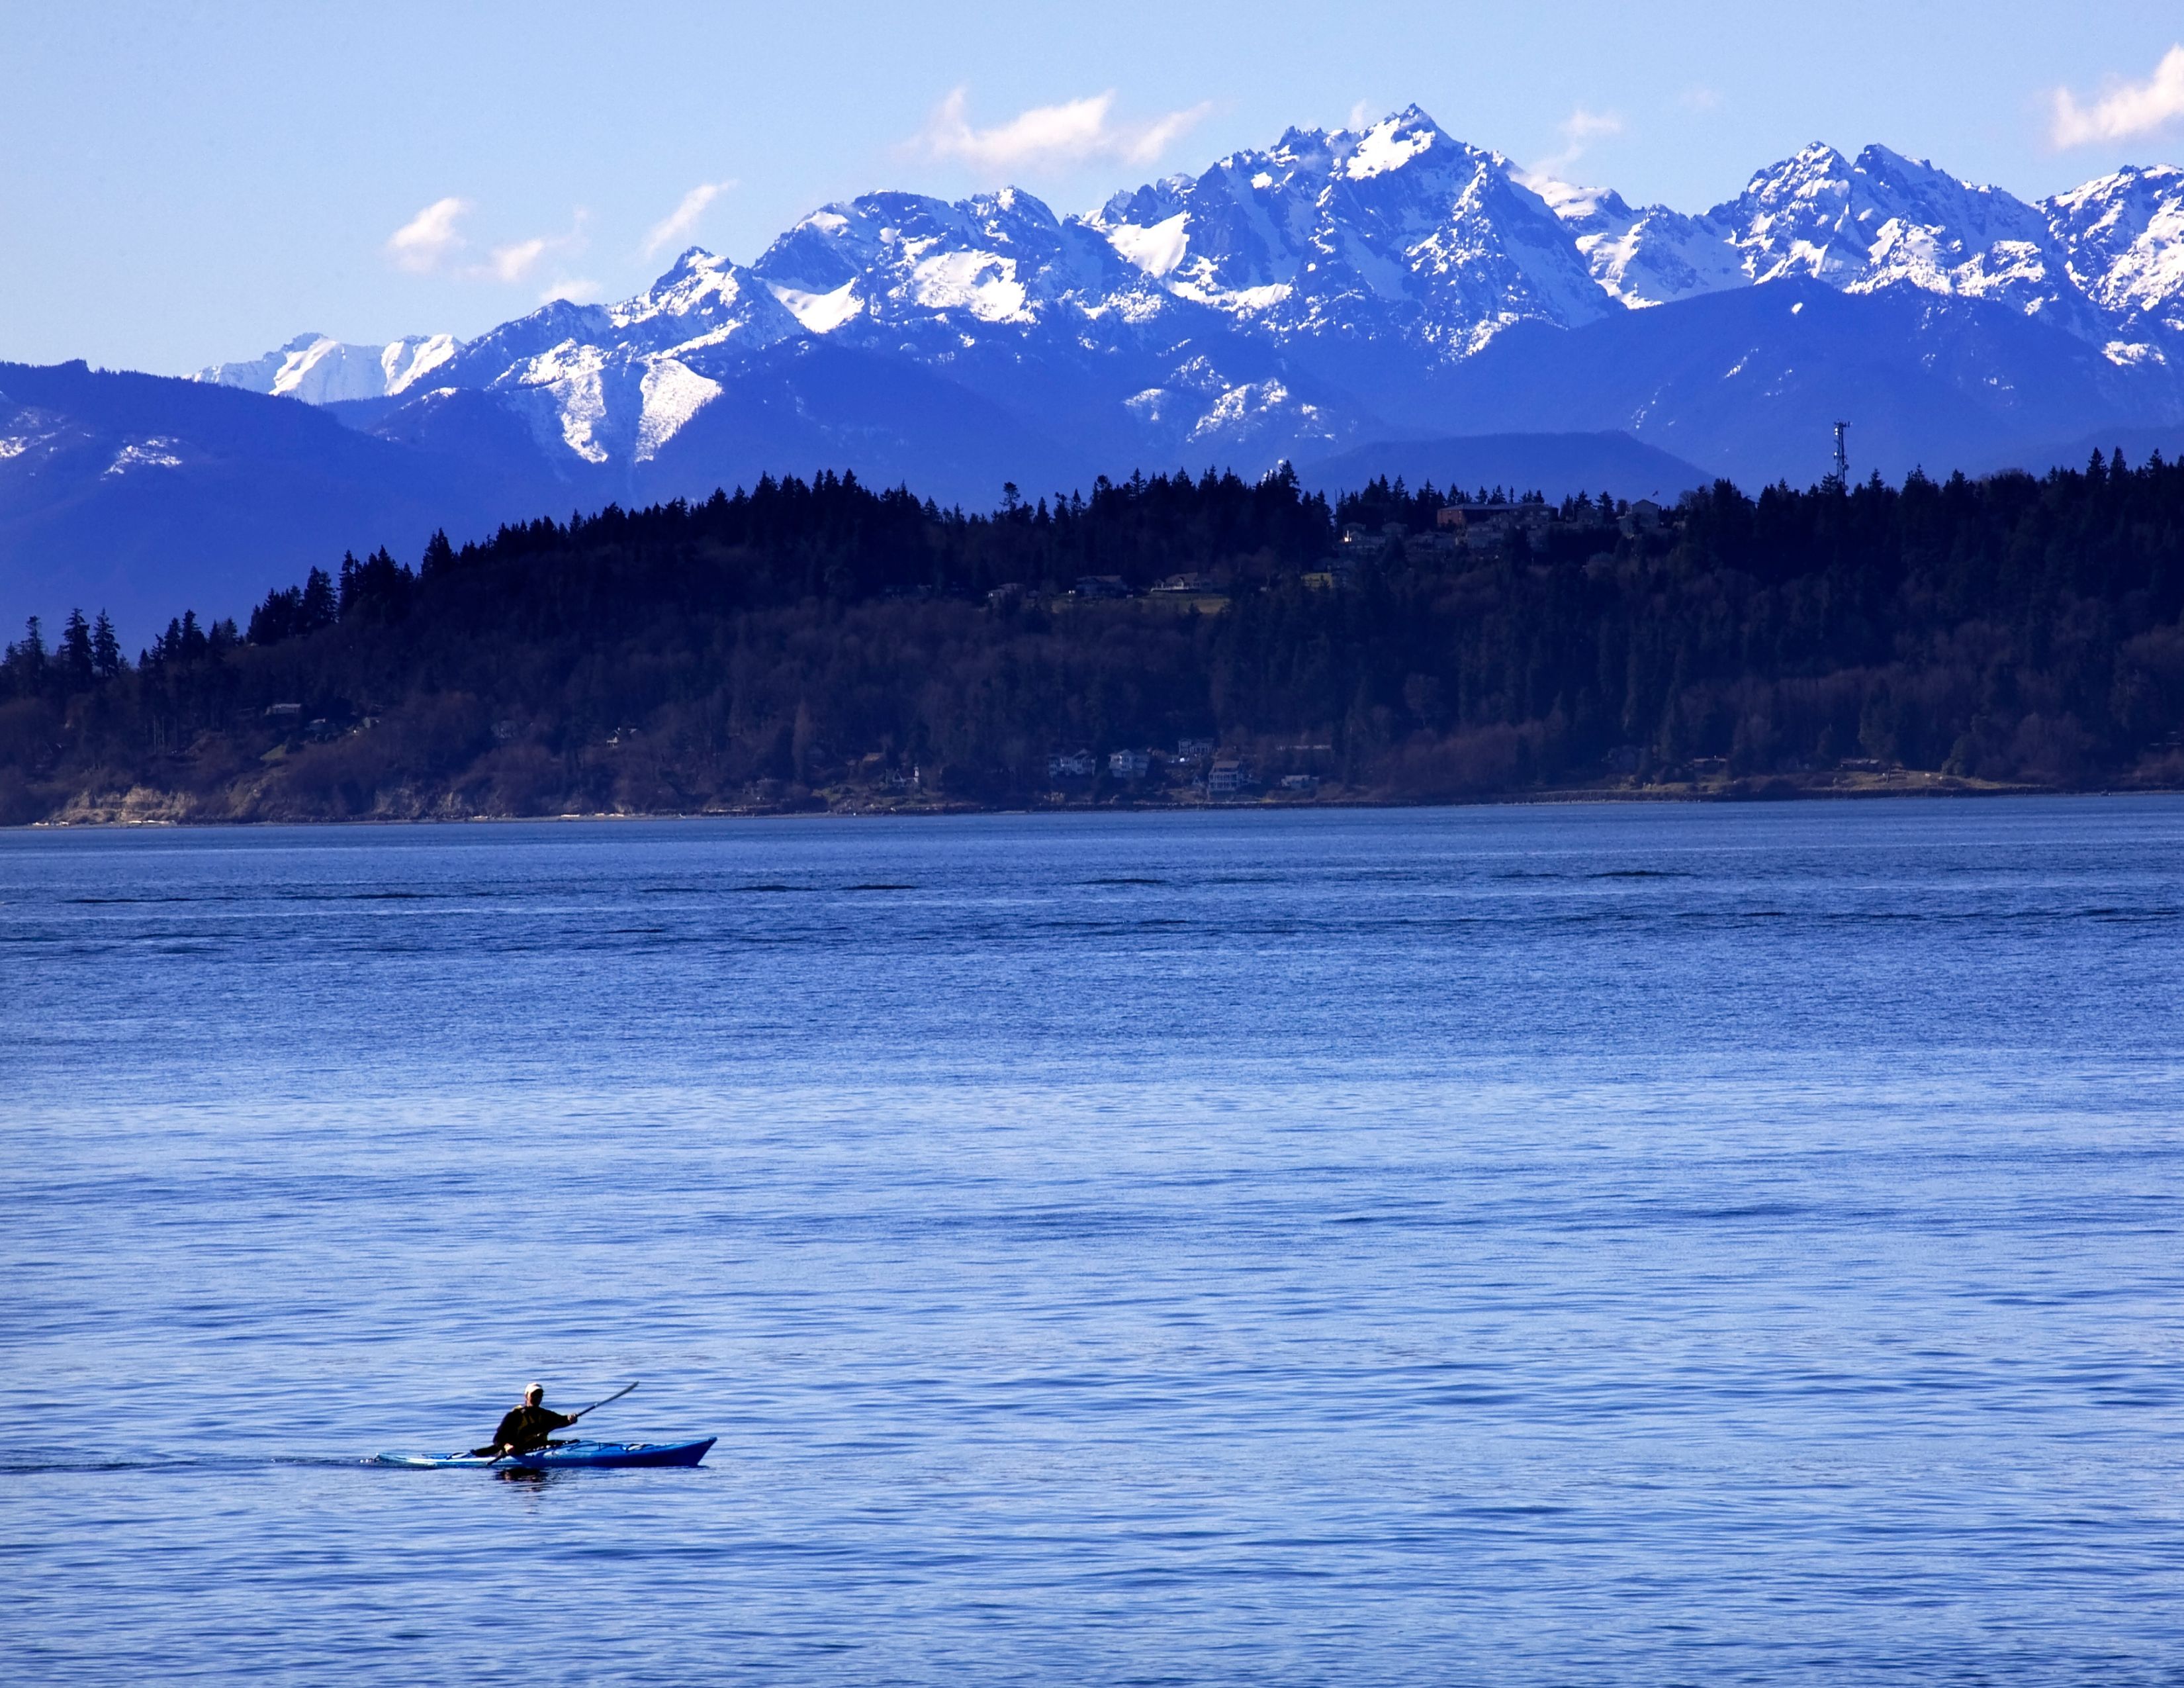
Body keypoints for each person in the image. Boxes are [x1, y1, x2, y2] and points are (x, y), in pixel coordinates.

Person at [475, 1383, 576, 1458]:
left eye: (540, 1395)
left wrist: (571, 1420)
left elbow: (562, 1421)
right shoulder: (515, 1416)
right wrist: (507, 1446)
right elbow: (498, 1438)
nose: (537, 1398)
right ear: (526, 1396)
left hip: (538, 1447)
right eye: (534, 1395)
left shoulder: (545, 1414)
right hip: (518, 1450)